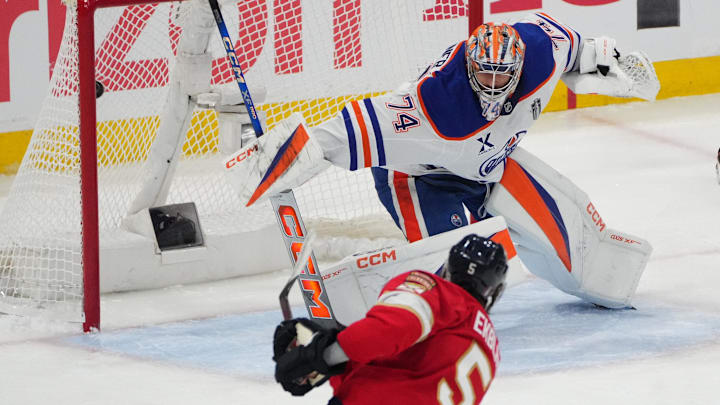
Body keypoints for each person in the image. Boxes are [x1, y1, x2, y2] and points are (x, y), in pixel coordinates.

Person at [227, 13, 658, 309]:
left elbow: (582, 48)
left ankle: (595, 274)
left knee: (573, 254)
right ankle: (399, 314)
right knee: (465, 290)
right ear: (470, 68)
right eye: (483, 74)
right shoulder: (429, 105)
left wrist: (611, 63)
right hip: (421, 181)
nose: (492, 85)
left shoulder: (543, 50)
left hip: (491, 167)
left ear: (519, 65)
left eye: (501, 75)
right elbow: (337, 134)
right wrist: (279, 161)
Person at [272, 234, 509, 404]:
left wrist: (318, 356)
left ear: (448, 269)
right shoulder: (490, 347)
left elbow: (385, 332)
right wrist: (330, 365)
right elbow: (409, 367)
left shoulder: (437, 291)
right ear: (495, 291)